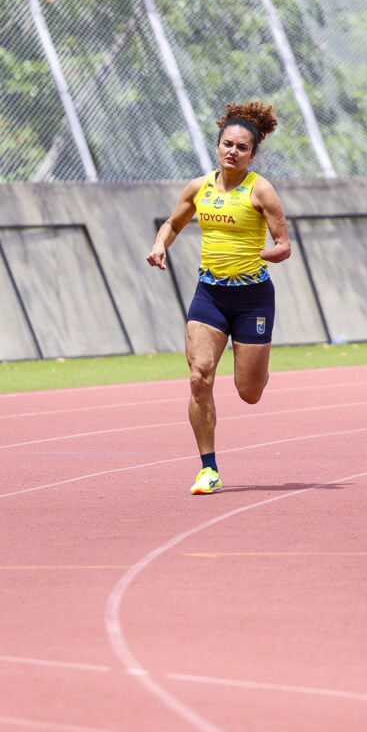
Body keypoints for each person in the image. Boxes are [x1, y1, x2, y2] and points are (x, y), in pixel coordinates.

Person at [147, 101, 292, 494]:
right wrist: (161, 245)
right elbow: (172, 224)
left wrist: (269, 253)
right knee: (199, 376)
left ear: (253, 154)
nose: (233, 151)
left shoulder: (261, 190)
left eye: (242, 147)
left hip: (252, 298)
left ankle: (256, 366)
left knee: (249, 393)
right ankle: (208, 468)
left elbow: (284, 245)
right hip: (209, 293)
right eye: (227, 144)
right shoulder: (199, 188)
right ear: (217, 147)